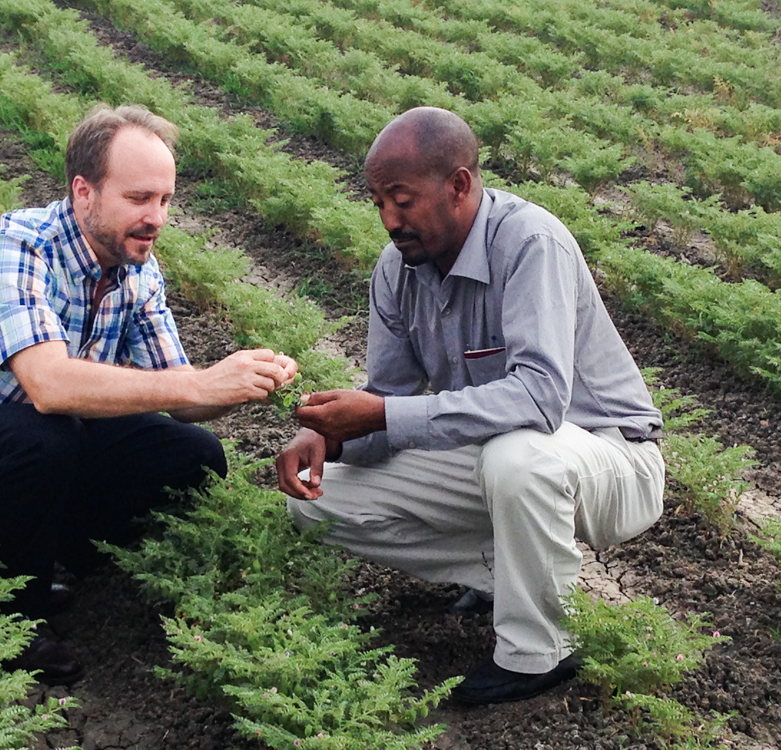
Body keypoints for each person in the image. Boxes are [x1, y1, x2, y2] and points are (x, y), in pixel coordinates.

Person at [0, 103, 297, 685]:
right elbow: (48, 386)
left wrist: (240, 379)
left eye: (166, 200)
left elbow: (183, 399)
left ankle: (56, 548)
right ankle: (15, 618)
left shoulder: (138, 270)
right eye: (139, 198)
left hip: (39, 438)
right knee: (44, 434)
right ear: (83, 192)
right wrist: (196, 380)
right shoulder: (15, 247)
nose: (156, 217)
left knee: (192, 452)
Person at [276, 107, 665, 705]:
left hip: (611, 458)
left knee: (518, 457)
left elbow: (538, 399)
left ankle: (538, 651)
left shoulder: (530, 242)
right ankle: (503, 578)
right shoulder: (396, 271)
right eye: (378, 201)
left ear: (459, 185)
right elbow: (394, 401)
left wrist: (379, 416)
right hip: (500, 459)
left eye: (402, 200)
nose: (388, 220)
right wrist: (335, 439)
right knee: (320, 502)